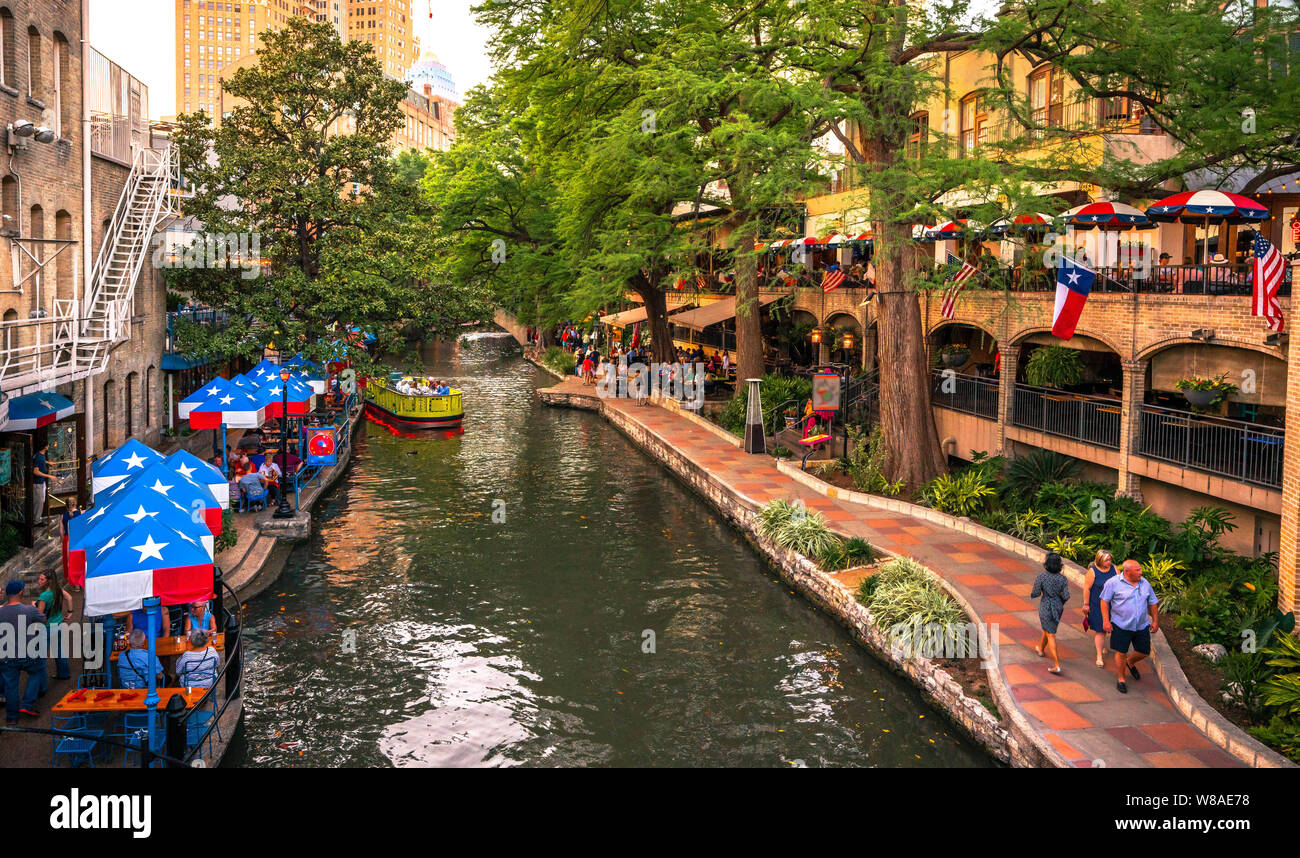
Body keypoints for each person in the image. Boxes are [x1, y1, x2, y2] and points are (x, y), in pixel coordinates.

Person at [1100, 559, 1159, 694]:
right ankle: (1121, 678)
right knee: (1121, 652)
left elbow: (1153, 602)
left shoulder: (1145, 583)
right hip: (1121, 625)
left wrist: (1155, 621)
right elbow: (1104, 601)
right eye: (1137, 570)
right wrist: (1106, 621)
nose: (1141, 572)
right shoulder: (1113, 583)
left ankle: (1130, 662)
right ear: (1127, 572)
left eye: (1140, 569)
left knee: (1144, 651)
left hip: (1141, 625)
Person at [0, 580, 45, 725]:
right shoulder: (28, 610)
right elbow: (43, 619)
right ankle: (27, 704)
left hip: (6, 654)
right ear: (20, 592)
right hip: (27, 651)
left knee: (10, 685)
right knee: (36, 672)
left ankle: (12, 718)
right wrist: (35, 607)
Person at [1030, 552, 1070, 674]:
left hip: (1046, 605)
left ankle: (1057, 665)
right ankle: (1041, 649)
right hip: (1058, 606)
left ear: (1047, 565)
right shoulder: (1063, 579)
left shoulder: (1041, 577)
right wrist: (1059, 602)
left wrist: (1037, 593)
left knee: (1051, 634)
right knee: (1048, 629)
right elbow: (1067, 596)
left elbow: (1035, 593)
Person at [35, 571, 72, 686]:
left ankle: (42, 686)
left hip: (46, 628)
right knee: (59, 650)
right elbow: (69, 598)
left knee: (41, 657)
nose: (39, 581)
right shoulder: (58, 590)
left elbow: (39, 615)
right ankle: (64, 673)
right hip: (58, 623)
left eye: (42, 579)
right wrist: (70, 612)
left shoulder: (44, 596)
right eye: (39, 579)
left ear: (49, 581)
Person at [1083, 550, 1117, 668]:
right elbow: (1087, 588)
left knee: (1111, 627)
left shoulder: (1114, 569)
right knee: (1100, 630)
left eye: (1109, 559)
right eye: (1106, 560)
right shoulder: (1093, 571)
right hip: (1097, 605)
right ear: (1099, 560)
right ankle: (1099, 656)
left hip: (1112, 604)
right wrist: (1086, 604)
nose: (1109, 562)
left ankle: (1103, 648)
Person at [32, 441, 52, 525]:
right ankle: (37, 521)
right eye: (47, 445)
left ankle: (37, 518)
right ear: (45, 447)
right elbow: (35, 471)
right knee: (39, 502)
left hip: (41, 482)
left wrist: (48, 462)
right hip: (37, 483)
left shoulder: (40, 455)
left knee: (40, 501)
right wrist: (49, 476)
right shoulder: (39, 457)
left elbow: (41, 460)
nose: (48, 446)